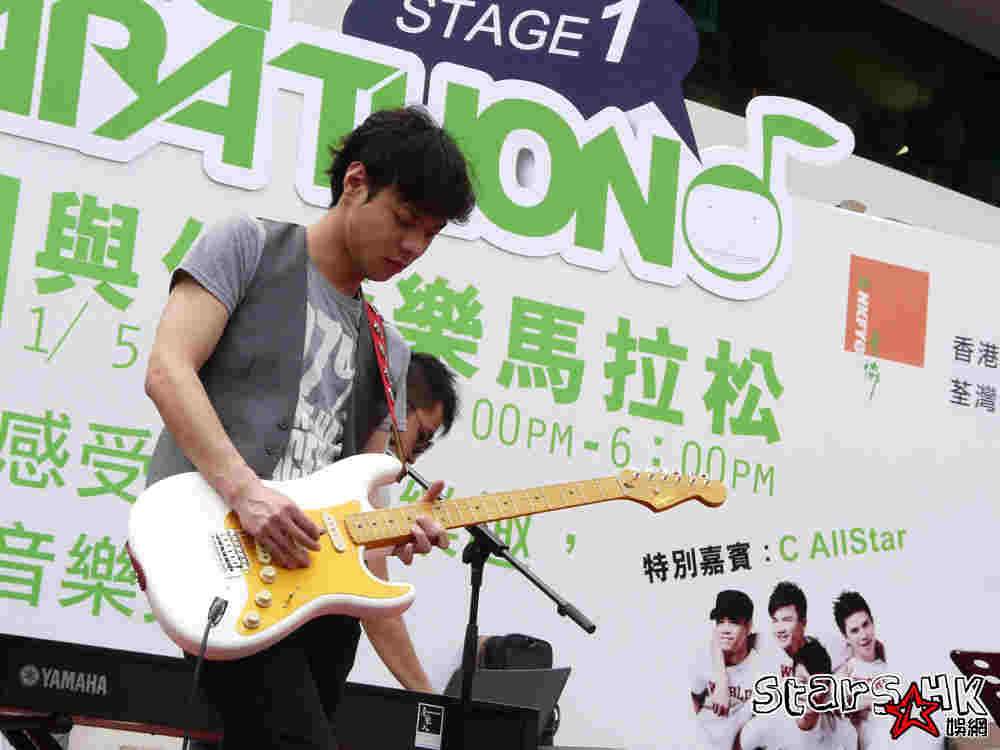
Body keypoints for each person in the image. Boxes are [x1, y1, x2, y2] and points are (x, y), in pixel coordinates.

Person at [143, 105, 475, 749]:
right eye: (405, 219)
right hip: (223, 559)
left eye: (431, 234)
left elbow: (362, 499)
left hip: (320, 595)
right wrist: (246, 492)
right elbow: (167, 370)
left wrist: (396, 529)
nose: (413, 247)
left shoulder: (389, 348)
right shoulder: (247, 246)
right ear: (355, 182)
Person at [738, 639, 858, 750]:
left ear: (828, 686)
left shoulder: (844, 732)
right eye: (802, 682)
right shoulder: (767, 723)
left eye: (817, 685)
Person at [691, 590, 762, 750]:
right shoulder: (703, 660)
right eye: (720, 621)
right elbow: (694, 700)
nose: (725, 629)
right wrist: (721, 678)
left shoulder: (761, 664)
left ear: (748, 625)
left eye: (734, 622)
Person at [833, 592, 888, 750]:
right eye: (855, 630)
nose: (863, 635)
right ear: (845, 636)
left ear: (873, 623)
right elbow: (839, 706)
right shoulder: (845, 674)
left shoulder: (891, 665)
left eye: (865, 625)